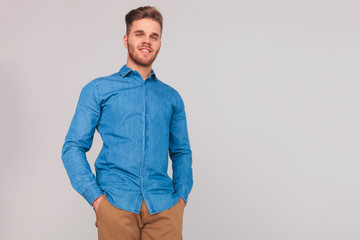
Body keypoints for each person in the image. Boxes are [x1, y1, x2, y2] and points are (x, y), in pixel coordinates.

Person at [61, 5, 193, 240]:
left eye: (154, 36)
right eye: (139, 34)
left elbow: (181, 152)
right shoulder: (99, 89)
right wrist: (97, 200)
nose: (147, 41)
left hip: (164, 208)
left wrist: (180, 199)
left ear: (160, 43)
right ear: (126, 39)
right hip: (116, 206)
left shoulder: (172, 97)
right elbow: (72, 147)